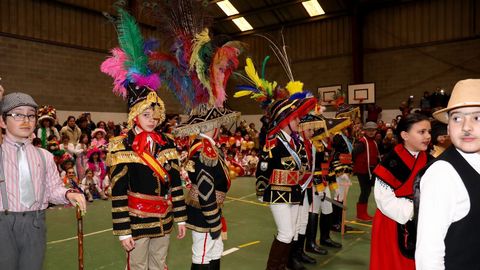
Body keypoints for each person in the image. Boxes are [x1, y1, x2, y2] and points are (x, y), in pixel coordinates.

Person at [102, 9, 187, 270]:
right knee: (138, 266)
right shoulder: (120, 145)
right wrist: (123, 230)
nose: (151, 119)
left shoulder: (168, 143)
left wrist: (181, 218)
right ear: (134, 115)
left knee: (159, 263)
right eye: (145, 113)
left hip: (164, 218)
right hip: (136, 221)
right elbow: (118, 192)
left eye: (155, 114)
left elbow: (174, 183)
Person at [0, 92, 86, 270]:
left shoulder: (44, 156)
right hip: (3, 224)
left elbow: (52, 189)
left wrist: (68, 193)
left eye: (31, 115)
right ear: (2, 121)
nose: (26, 120)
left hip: (35, 223)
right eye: (17, 114)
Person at [416, 79, 480, 270]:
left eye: (477, 118)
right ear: (448, 127)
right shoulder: (442, 175)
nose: (466, 127)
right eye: (457, 118)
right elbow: (429, 254)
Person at [255, 97, 317, 270]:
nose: (299, 121)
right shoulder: (273, 142)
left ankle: (282, 267)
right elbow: (262, 168)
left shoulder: (294, 142)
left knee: (291, 234)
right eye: (296, 118)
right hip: (278, 193)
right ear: (285, 120)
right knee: (286, 233)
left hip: (294, 192)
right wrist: (261, 191)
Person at [369, 113, 431, 270]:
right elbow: (384, 200)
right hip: (392, 222)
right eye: (421, 132)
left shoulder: (430, 161)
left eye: (428, 132)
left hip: (423, 221)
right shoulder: (391, 162)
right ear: (405, 135)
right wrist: (416, 210)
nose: (428, 136)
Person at [352, 121, 380, 221]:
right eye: (369, 130)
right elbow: (354, 153)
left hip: (371, 170)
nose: (371, 132)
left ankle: (363, 212)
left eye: (373, 130)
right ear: (365, 131)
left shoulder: (374, 142)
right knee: (365, 191)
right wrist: (359, 165)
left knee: (367, 191)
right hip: (363, 171)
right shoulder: (362, 142)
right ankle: (360, 214)